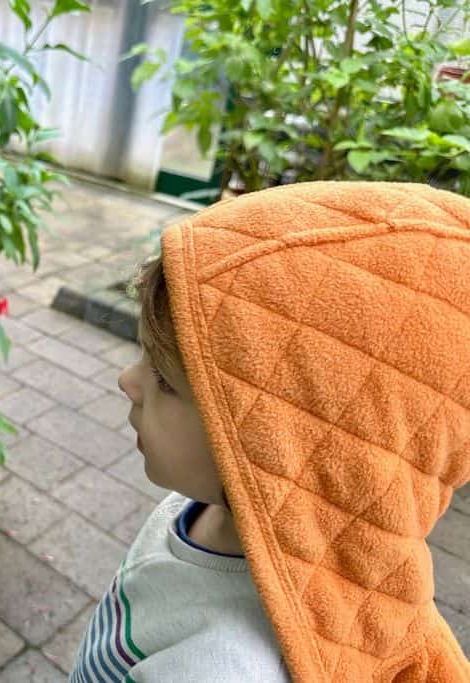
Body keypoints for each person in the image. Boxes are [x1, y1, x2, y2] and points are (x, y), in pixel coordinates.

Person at [69, 181, 470, 682]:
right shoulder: (216, 505)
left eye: (164, 381)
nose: (127, 382)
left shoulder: (224, 667)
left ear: (298, 451)